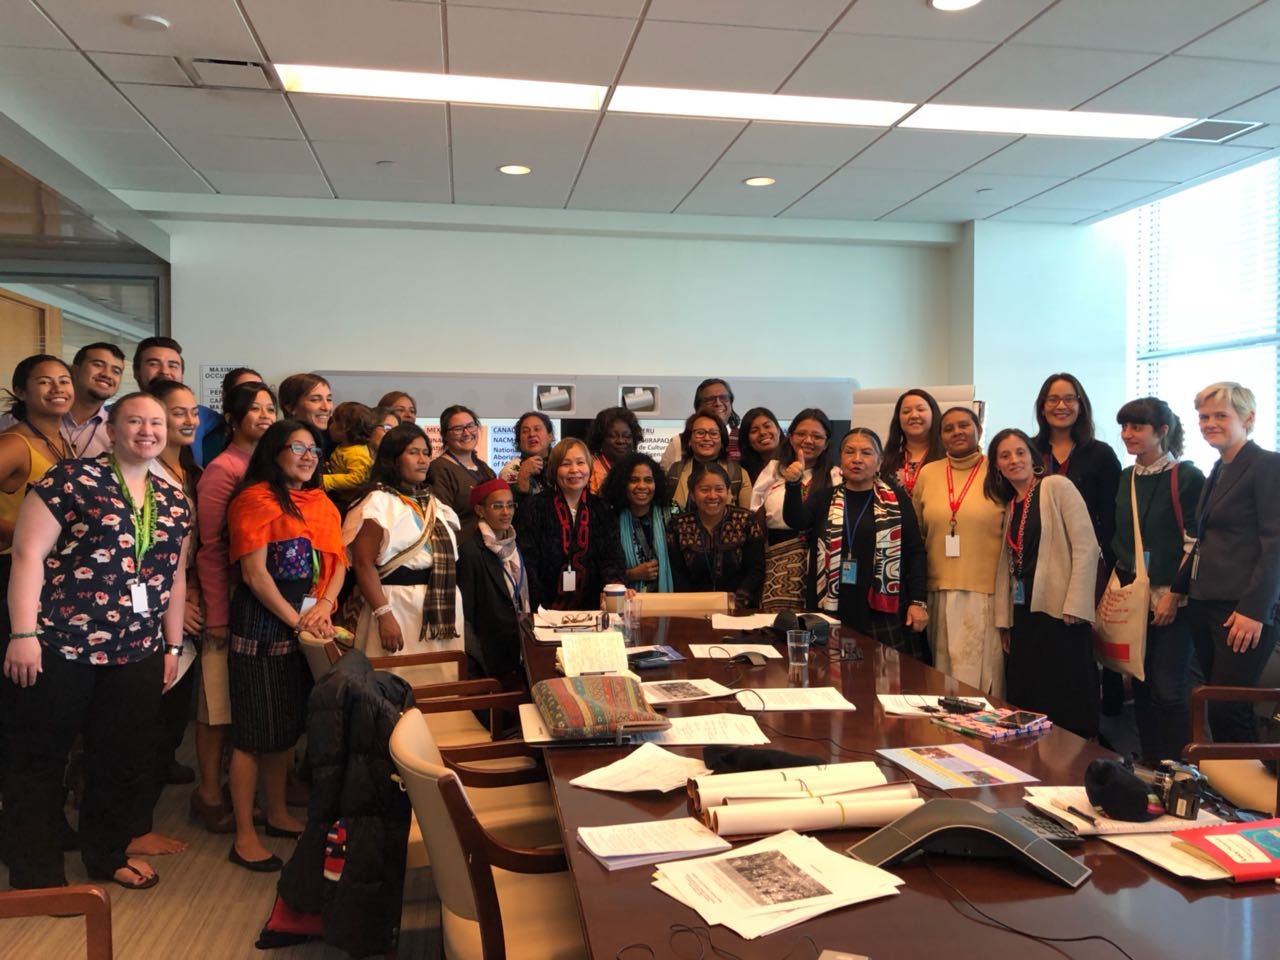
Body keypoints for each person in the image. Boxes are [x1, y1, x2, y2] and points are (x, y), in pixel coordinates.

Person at [3, 392, 190, 890]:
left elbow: (173, 578)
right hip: (59, 644)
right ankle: (35, 873)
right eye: (135, 421)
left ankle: (106, 856)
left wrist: (172, 648)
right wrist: (22, 633)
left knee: (121, 759)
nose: (147, 430)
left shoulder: (172, 500)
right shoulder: (69, 480)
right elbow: (28, 556)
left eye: (157, 422)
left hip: (136, 650)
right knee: (40, 760)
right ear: (111, 429)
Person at [224, 420, 345, 871]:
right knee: (254, 733)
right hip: (264, 624)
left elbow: (338, 565)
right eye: (297, 447)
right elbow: (256, 577)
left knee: (284, 729)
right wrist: (299, 622)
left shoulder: (320, 502)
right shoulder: (254, 499)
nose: (308, 455)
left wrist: (325, 606)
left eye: (314, 448)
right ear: (274, 452)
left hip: (307, 623)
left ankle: (276, 813)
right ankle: (244, 834)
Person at [1173, 382, 1280, 745]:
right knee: (1211, 703)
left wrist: (1254, 610)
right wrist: (1177, 590)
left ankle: (1255, 797)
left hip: (1242, 609)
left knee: (1228, 706)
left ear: (1248, 418)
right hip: (1206, 602)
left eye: (1221, 415)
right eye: (1204, 417)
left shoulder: (1267, 465)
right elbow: (1204, 541)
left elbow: (1276, 544)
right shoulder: (1219, 468)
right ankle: (1225, 792)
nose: (1209, 423)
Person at [191, 381, 277, 833]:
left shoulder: (265, 465)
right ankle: (206, 793)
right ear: (232, 419)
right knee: (216, 706)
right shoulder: (224, 468)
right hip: (225, 602)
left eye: (270, 408)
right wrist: (218, 614)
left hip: (254, 607)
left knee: (241, 707)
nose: (264, 415)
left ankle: (234, 790)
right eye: (254, 409)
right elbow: (209, 547)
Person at [988, 428, 1101, 739]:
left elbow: (1086, 546)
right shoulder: (1012, 504)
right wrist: (1005, 622)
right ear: (996, 465)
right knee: (1029, 691)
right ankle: (1036, 759)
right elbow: (1007, 567)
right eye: (1005, 455)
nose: (1014, 460)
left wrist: (1076, 602)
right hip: (1024, 611)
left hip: (1061, 610)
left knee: (1066, 692)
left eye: (1020, 452)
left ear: (1033, 457)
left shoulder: (1056, 487)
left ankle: (1075, 763)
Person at [1112, 397, 1205, 763]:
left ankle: (1180, 768)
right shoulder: (1125, 478)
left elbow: (1196, 542)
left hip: (1173, 598)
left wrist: (1174, 595)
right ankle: (1149, 764)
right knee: (1141, 685)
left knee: (1169, 689)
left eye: (1137, 427)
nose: (1127, 435)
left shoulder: (1187, 477)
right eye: (1124, 427)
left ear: (1161, 432)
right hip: (1134, 597)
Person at [784, 428, 928, 657]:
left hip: (881, 608)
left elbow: (915, 552)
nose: (857, 459)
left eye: (866, 453)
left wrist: (918, 601)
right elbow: (795, 520)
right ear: (840, 460)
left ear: (879, 462)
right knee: (829, 679)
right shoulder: (825, 497)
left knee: (881, 681)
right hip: (832, 604)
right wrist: (792, 486)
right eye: (850, 452)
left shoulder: (896, 499)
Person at [342, 423, 463, 661]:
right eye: (413, 452)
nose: (423, 460)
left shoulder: (432, 502)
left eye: (426, 453)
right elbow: (363, 563)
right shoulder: (377, 501)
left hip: (441, 606)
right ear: (394, 459)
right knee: (398, 684)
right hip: (395, 605)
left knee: (443, 685)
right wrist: (384, 614)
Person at [912, 406, 1006, 694]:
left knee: (982, 679)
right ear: (940, 436)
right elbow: (918, 532)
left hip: (985, 591)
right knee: (941, 678)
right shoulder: (928, 473)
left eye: (964, 425)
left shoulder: (999, 470)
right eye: (948, 428)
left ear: (978, 428)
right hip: (937, 588)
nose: (957, 432)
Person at [142, 379, 205, 801]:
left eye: (193, 412)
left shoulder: (194, 472)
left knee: (172, 708)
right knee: (141, 710)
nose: (188, 420)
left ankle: (149, 792)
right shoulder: (139, 470)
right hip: (145, 604)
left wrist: (193, 594)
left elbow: (195, 548)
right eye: (177, 411)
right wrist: (173, 607)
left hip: (185, 593)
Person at [516, 438, 624, 610]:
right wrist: (539, 608)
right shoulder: (533, 508)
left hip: (592, 610)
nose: (574, 470)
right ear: (554, 469)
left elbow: (611, 558)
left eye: (580, 463)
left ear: (589, 468)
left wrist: (614, 586)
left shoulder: (602, 508)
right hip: (544, 610)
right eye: (566, 464)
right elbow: (528, 564)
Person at [751, 409, 838, 612]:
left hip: (819, 564)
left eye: (817, 436)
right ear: (790, 437)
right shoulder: (773, 470)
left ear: (826, 443)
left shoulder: (835, 476)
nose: (808, 440)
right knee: (776, 625)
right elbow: (755, 513)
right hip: (776, 561)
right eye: (801, 434)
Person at [1032, 373, 1121, 564]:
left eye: (1069, 399)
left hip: (1085, 558)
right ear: (1042, 407)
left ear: (1081, 407)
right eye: (1053, 400)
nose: (1061, 406)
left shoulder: (1101, 454)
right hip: (1037, 556)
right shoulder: (1028, 452)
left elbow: (1110, 519)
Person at [0, 355, 75, 556]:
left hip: (49, 563)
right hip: (13, 564)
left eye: (64, 381)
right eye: (44, 382)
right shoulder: (15, 444)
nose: (57, 388)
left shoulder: (62, 441)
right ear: (21, 392)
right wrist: (11, 532)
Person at [456, 478, 528, 686]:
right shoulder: (470, 552)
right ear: (480, 510)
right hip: (490, 652)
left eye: (510, 505)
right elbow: (466, 615)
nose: (506, 512)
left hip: (519, 645)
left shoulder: (516, 543)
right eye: (497, 506)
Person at [667, 461, 764, 607]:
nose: (712, 496)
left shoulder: (747, 522)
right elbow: (678, 575)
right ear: (692, 494)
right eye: (704, 490)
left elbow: (756, 570)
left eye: (719, 489)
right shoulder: (679, 526)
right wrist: (692, 605)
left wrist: (737, 601)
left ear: (728, 492)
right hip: (692, 609)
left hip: (739, 609)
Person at [0, 343, 122, 457]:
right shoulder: (12, 429)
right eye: (98, 365)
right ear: (74, 370)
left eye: (116, 371)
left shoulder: (119, 429)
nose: (107, 374)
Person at [131, 337, 222, 467]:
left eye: (173, 365)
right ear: (136, 372)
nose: (164, 371)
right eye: (153, 364)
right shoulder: (115, 415)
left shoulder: (202, 415)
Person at [602, 452, 673, 593]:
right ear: (622, 484)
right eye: (634, 480)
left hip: (668, 603)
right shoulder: (609, 518)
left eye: (648, 480)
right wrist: (632, 574)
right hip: (625, 601)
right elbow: (602, 568)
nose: (642, 486)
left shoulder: (672, 513)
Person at [427, 404, 496, 540]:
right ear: (444, 435)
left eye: (470, 426)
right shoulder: (439, 468)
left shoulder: (485, 468)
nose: (466, 433)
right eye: (458, 429)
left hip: (489, 550)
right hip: (461, 551)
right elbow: (443, 520)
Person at [665, 413, 751, 513]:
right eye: (700, 433)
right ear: (689, 440)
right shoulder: (675, 472)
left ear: (722, 441)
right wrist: (677, 518)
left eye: (713, 433)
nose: (706, 438)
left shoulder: (737, 474)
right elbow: (671, 505)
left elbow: (746, 516)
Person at [659, 378, 741, 470]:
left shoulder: (743, 438)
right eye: (710, 399)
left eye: (724, 398)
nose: (718, 403)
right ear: (699, 406)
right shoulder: (678, 443)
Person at [880, 388, 944, 496]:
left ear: (934, 414)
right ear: (898, 419)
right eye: (906, 411)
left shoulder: (948, 457)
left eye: (921, 409)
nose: (914, 415)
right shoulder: (884, 460)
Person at [199, 367, 264, 465]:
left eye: (260, 390)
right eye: (245, 391)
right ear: (225, 396)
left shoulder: (277, 441)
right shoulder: (211, 441)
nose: (255, 397)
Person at [323, 401, 377, 501]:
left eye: (334, 422)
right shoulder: (344, 447)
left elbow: (357, 478)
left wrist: (328, 480)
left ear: (344, 429)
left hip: (350, 501)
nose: (330, 425)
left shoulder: (356, 452)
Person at [585, 405, 641, 494]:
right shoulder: (588, 467)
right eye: (613, 436)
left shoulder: (641, 467)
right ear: (601, 438)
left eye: (627, 436)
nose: (621, 441)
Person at [499, 411, 554, 499]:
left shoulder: (561, 464)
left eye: (537, 429)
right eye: (525, 431)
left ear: (550, 436)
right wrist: (523, 476)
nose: (531, 434)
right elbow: (509, 506)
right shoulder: (511, 469)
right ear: (519, 441)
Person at [278, 373, 334, 455]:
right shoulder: (279, 443)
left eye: (329, 399)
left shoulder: (334, 439)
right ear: (290, 408)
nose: (326, 408)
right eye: (315, 400)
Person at [738, 407, 782, 485]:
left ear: (778, 429)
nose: (762, 432)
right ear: (747, 440)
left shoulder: (795, 460)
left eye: (767, 426)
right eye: (754, 431)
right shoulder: (742, 473)